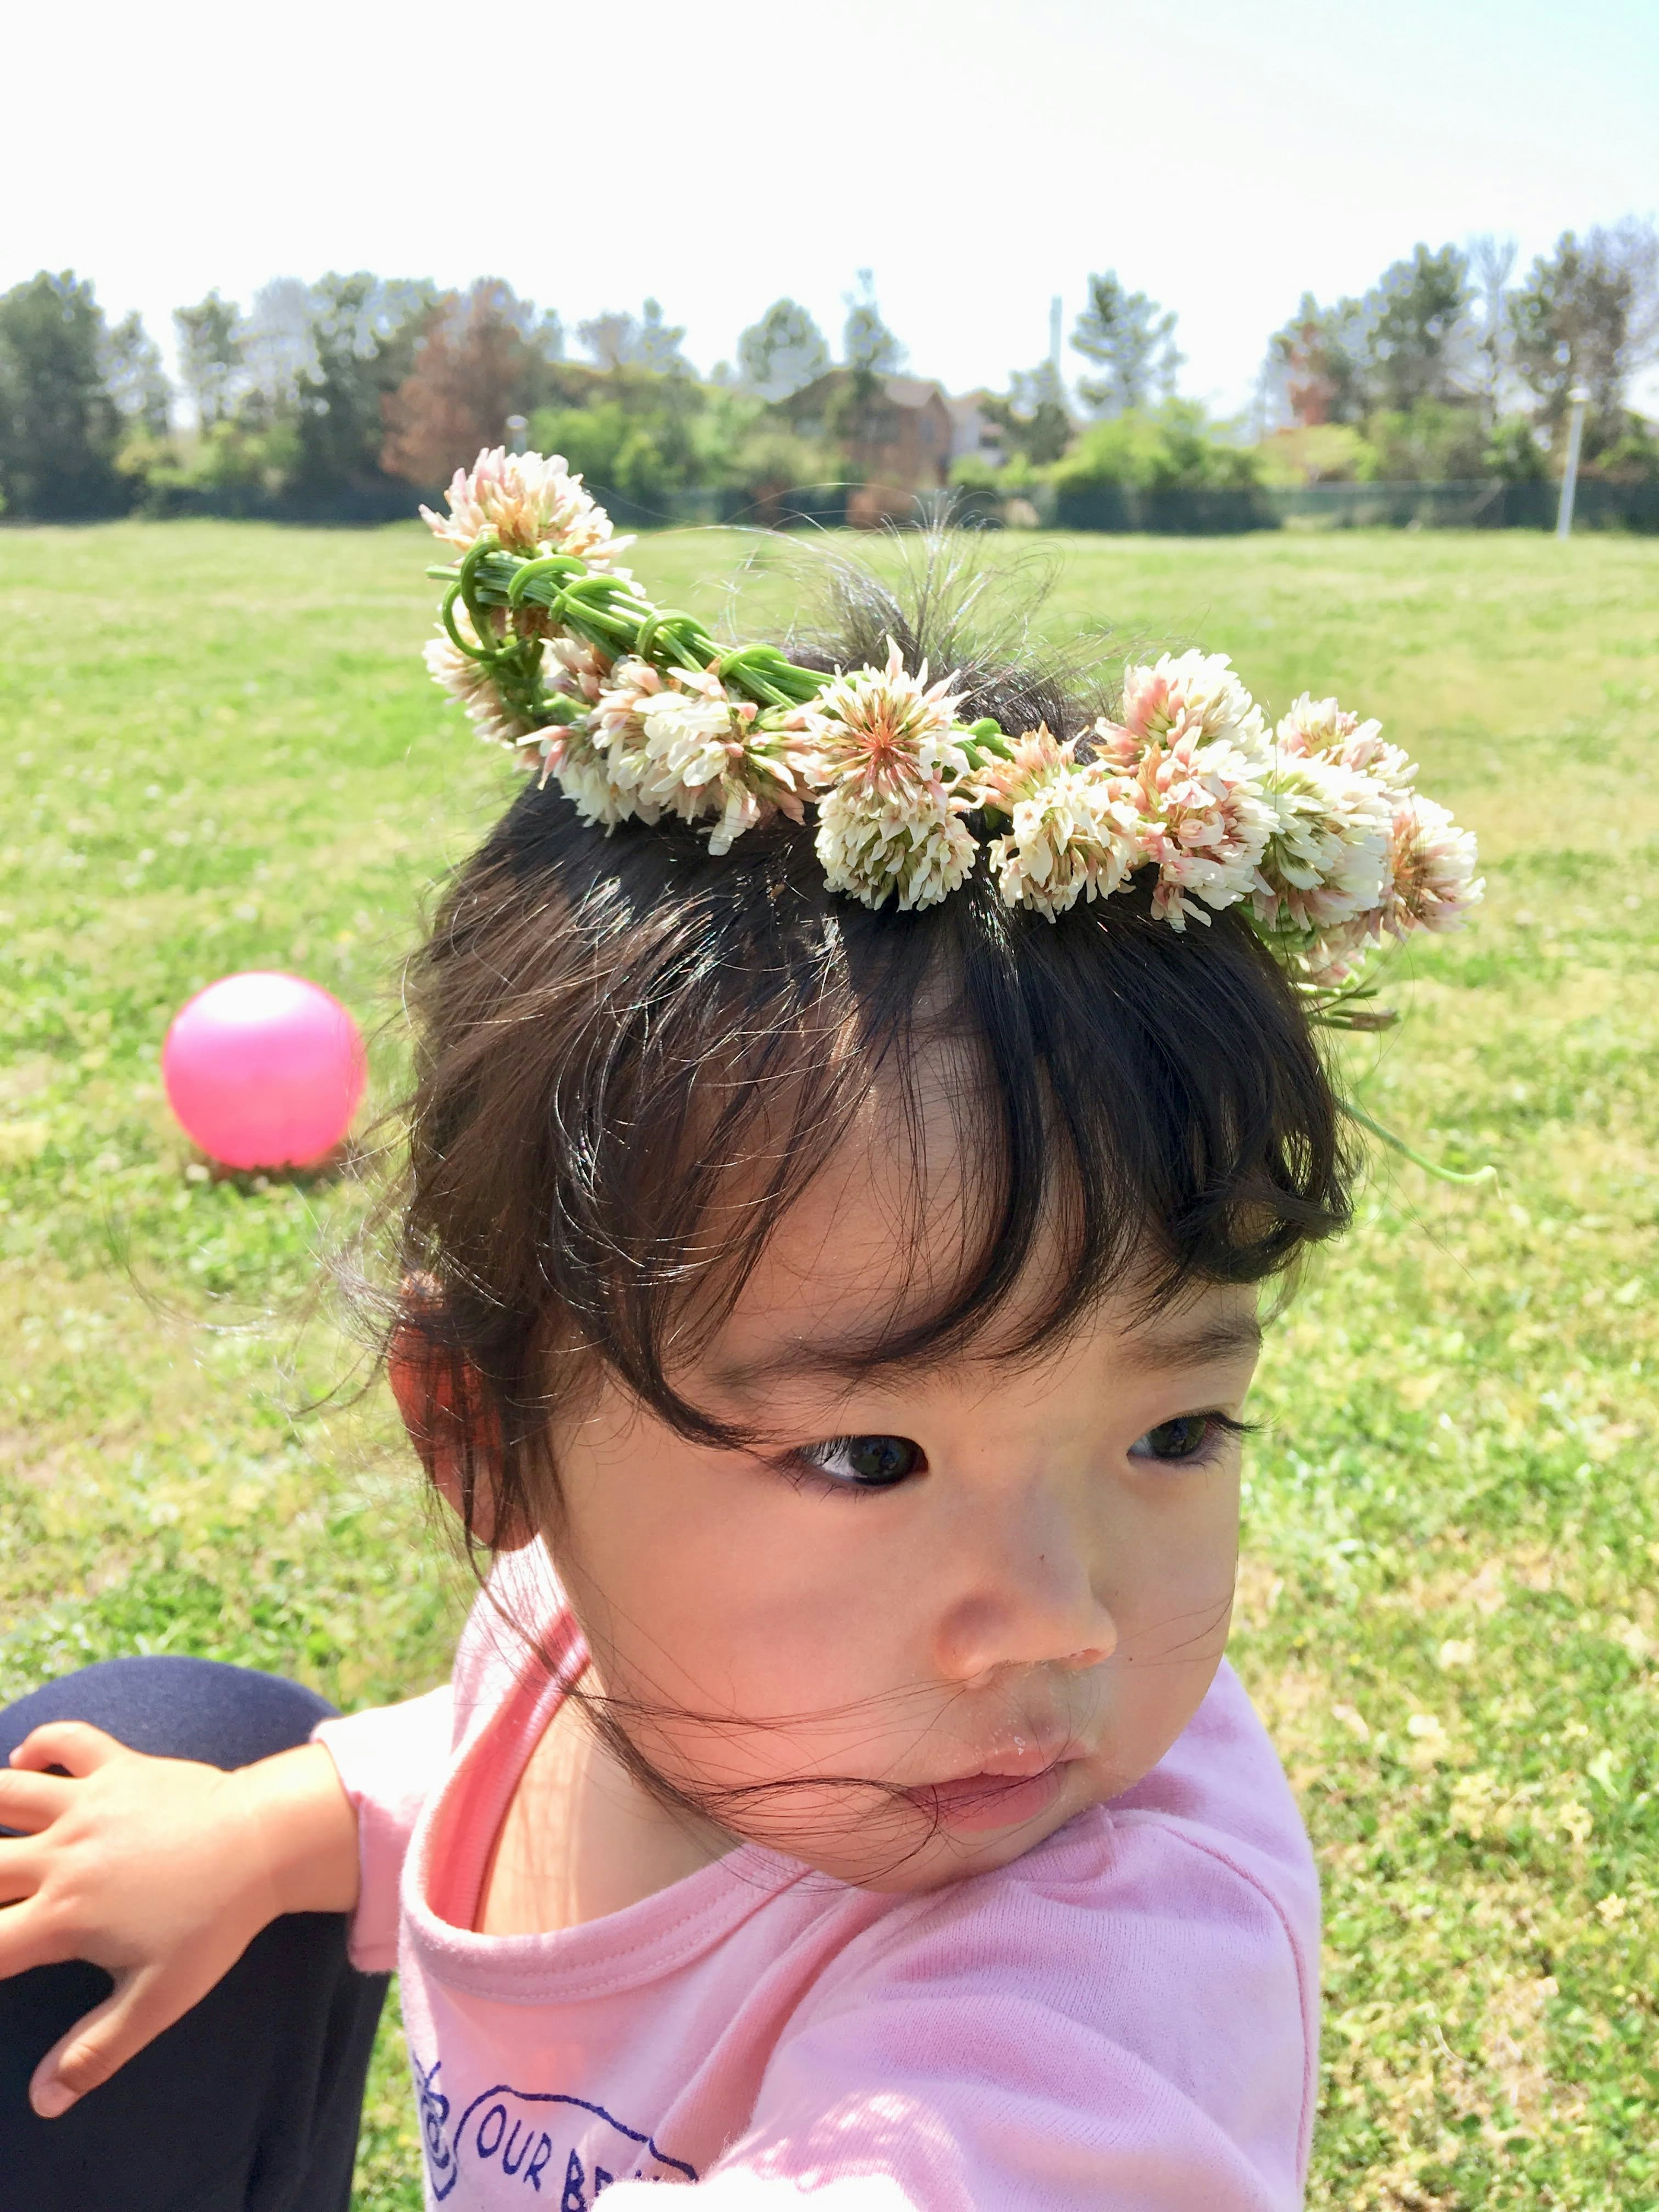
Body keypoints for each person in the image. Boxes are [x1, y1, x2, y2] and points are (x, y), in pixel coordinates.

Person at [0, 456, 1481, 2211]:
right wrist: (265, 1825)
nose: (1062, 1619)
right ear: (482, 1433)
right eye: (871, 1454)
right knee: (177, 1730)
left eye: (1175, 1432)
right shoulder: (585, 1637)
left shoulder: (1112, 1972)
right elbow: (491, 1743)